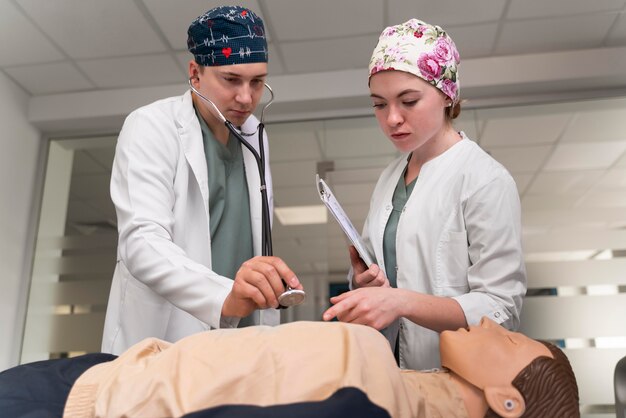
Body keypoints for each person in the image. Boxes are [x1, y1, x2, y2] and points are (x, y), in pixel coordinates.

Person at [322, 18, 526, 370]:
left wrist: (401, 302)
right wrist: (364, 280)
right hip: (391, 376)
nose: (392, 119)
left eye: (408, 101)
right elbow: (387, 277)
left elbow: (501, 308)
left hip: (459, 381)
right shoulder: (389, 179)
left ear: (448, 94)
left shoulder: (484, 180)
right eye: (379, 104)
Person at [101, 5, 303, 355]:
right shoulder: (151, 126)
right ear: (195, 74)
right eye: (231, 79)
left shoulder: (255, 136)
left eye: (257, 82)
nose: (246, 98)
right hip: (169, 336)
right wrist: (223, 295)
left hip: (242, 337)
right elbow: (142, 242)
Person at [0, 318, 579, 417]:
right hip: (97, 375)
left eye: (511, 338)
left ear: (509, 399)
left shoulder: (372, 411)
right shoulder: (395, 384)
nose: (490, 324)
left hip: (73, 406)